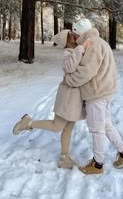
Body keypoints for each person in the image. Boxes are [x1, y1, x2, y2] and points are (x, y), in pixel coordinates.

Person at [63, 18, 123, 174]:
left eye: (74, 34)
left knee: (97, 129)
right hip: (105, 91)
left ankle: (97, 164)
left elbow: (86, 71)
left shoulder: (92, 44)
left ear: (77, 34)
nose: (73, 38)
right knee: (107, 125)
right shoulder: (99, 41)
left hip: (96, 93)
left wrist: (69, 80)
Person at [12, 29, 92, 169]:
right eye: (69, 36)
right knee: (57, 126)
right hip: (67, 95)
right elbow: (70, 67)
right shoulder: (68, 53)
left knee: (69, 127)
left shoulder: (79, 49)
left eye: (72, 32)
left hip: (77, 96)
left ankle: (64, 157)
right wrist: (81, 48)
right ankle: (27, 123)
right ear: (66, 41)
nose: (73, 35)